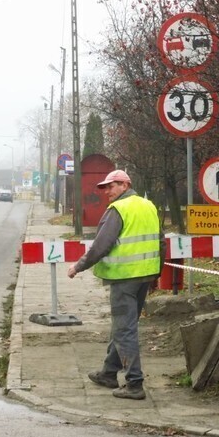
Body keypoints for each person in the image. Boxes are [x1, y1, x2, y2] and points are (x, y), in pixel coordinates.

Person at [67, 169, 164, 400]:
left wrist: (78, 267)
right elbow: (161, 241)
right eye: (105, 188)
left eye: (111, 186)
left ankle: (134, 384)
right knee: (122, 326)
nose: (107, 192)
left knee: (124, 330)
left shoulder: (118, 209)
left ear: (124, 184)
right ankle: (109, 373)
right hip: (144, 276)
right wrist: (157, 274)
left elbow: (101, 245)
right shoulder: (148, 205)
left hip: (124, 278)